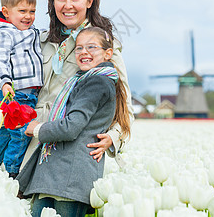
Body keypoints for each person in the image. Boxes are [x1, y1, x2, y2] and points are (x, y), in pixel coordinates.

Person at [20, 0, 134, 170]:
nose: (68, 5)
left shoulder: (105, 45)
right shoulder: (40, 41)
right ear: (52, 3)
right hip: (28, 143)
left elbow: (124, 104)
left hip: (68, 150)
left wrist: (113, 138)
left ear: (89, 2)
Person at [17, 27, 131, 217]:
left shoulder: (97, 83)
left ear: (108, 53)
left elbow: (71, 127)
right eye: (79, 48)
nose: (84, 52)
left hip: (70, 178)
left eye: (91, 47)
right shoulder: (82, 80)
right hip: (58, 175)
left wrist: (37, 129)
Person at [0, 0, 43, 178]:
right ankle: (12, 173)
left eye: (32, 11)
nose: (28, 16)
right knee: (20, 134)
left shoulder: (29, 32)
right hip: (15, 92)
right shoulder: (3, 33)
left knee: (6, 133)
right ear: (6, 12)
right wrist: (5, 82)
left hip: (27, 93)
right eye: (22, 11)